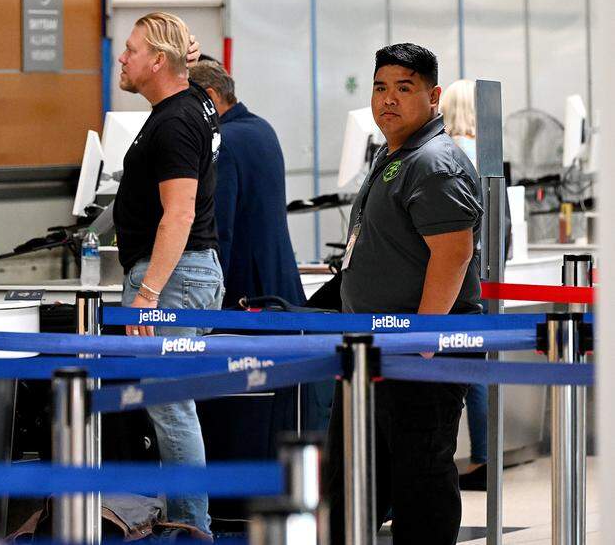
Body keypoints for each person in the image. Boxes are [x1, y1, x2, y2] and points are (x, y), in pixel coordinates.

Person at [324, 44, 483, 545]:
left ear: (434, 96)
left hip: (415, 352)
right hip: (374, 351)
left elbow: (454, 253)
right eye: (380, 87)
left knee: (421, 481)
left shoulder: (434, 162)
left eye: (404, 88)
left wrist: (424, 334)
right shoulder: (397, 154)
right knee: (356, 483)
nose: (387, 100)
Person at [115, 12, 223, 535]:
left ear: (158, 61)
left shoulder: (177, 120)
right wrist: (188, 59)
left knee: (171, 407)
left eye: (132, 50)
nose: (122, 57)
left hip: (172, 278)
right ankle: (183, 519)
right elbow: (196, 77)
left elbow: (178, 213)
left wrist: (149, 292)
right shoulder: (195, 101)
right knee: (170, 407)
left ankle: (190, 526)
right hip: (186, 274)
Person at [187, 60, 304, 308]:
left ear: (210, 96)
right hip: (277, 281)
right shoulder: (262, 128)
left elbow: (220, 227)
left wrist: (210, 293)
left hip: (246, 292)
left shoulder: (224, 141)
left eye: (189, 103)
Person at [440, 78, 488, 491]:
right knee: (476, 370)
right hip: (482, 275)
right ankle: (485, 455)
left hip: (461, 282)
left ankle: (478, 456)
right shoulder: (483, 153)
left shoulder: (447, 154)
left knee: (467, 375)